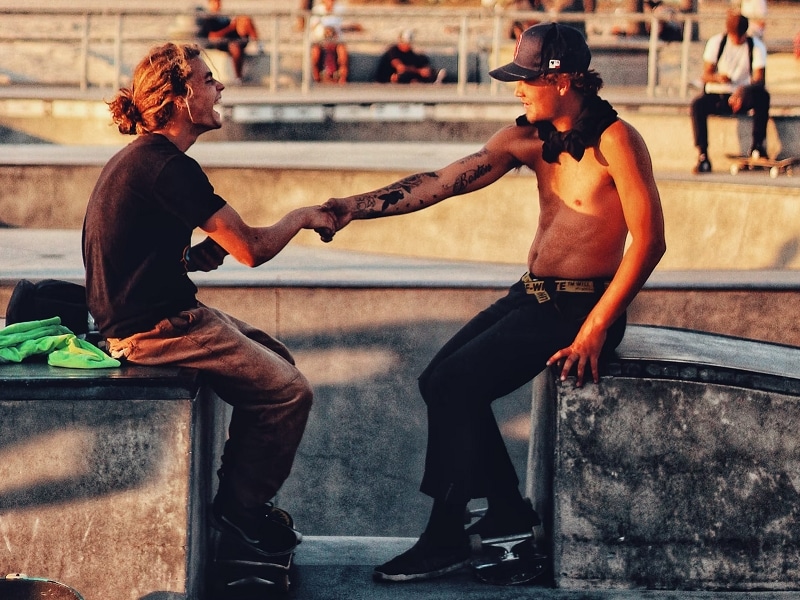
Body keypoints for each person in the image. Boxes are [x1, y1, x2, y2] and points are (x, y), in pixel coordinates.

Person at [323, 22, 666, 582]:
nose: (516, 90)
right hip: (532, 295)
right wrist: (351, 206)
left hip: (582, 308)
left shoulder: (616, 141)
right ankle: (505, 515)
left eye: (526, 80)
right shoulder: (527, 137)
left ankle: (445, 535)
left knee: (457, 385)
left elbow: (649, 241)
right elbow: (443, 181)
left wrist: (598, 327)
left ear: (563, 80)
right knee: (438, 381)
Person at [82, 43, 336, 559]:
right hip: (155, 331)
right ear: (180, 98)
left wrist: (193, 257)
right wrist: (304, 216)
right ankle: (240, 512)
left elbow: (138, 252)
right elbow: (253, 251)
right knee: (291, 393)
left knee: (277, 360)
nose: (219, 88)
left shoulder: (145, 161)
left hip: (155, 314)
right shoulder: (169, 168)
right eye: (208, 79)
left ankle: (239, 495)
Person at [690, 10, 770, 174]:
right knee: (697, 105)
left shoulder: (755, 46)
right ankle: (703, 154)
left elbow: (760, 80)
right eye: (734, 37)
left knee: (763, 96)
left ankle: (757, 146)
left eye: (740, 37)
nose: (737, 40)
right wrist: (718, 78)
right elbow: (706, 75)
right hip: (718, 95)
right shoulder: (716, 43)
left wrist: (743, 90)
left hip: (744, 96)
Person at [196, 0, 261, 84]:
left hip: (232, 38)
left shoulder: (223, 17)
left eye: (218, 2)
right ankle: (238, 77)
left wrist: (235, 24)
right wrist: (231, 27)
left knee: (245, 19)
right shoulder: (209, 19)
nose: (217, 5)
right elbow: (213, 37)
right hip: (221, 43)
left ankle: (258, 44)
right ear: (210, 4)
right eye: (215, 3)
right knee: (235, 47)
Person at [375, 29, 444, 84]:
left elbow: (415, 62)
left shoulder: (409, 52)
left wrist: (424, 69)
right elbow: (400, 68)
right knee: (403, 76)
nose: (407, 45)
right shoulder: (393, 50)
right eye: (405, 42)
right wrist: (419, 71)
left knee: (423, 71)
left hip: (406, 75)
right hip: (389, 77)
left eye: (408, 43)